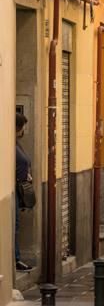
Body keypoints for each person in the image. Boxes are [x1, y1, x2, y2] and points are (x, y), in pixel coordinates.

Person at [15, 113, 33, 271]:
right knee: (14, 225)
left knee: (16, 225)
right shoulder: (11, 144)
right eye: (23, 126)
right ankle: (15, 259)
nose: (24, 130)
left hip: (19, 188)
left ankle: (16, 258)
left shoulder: (16, 143)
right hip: (14, 187)